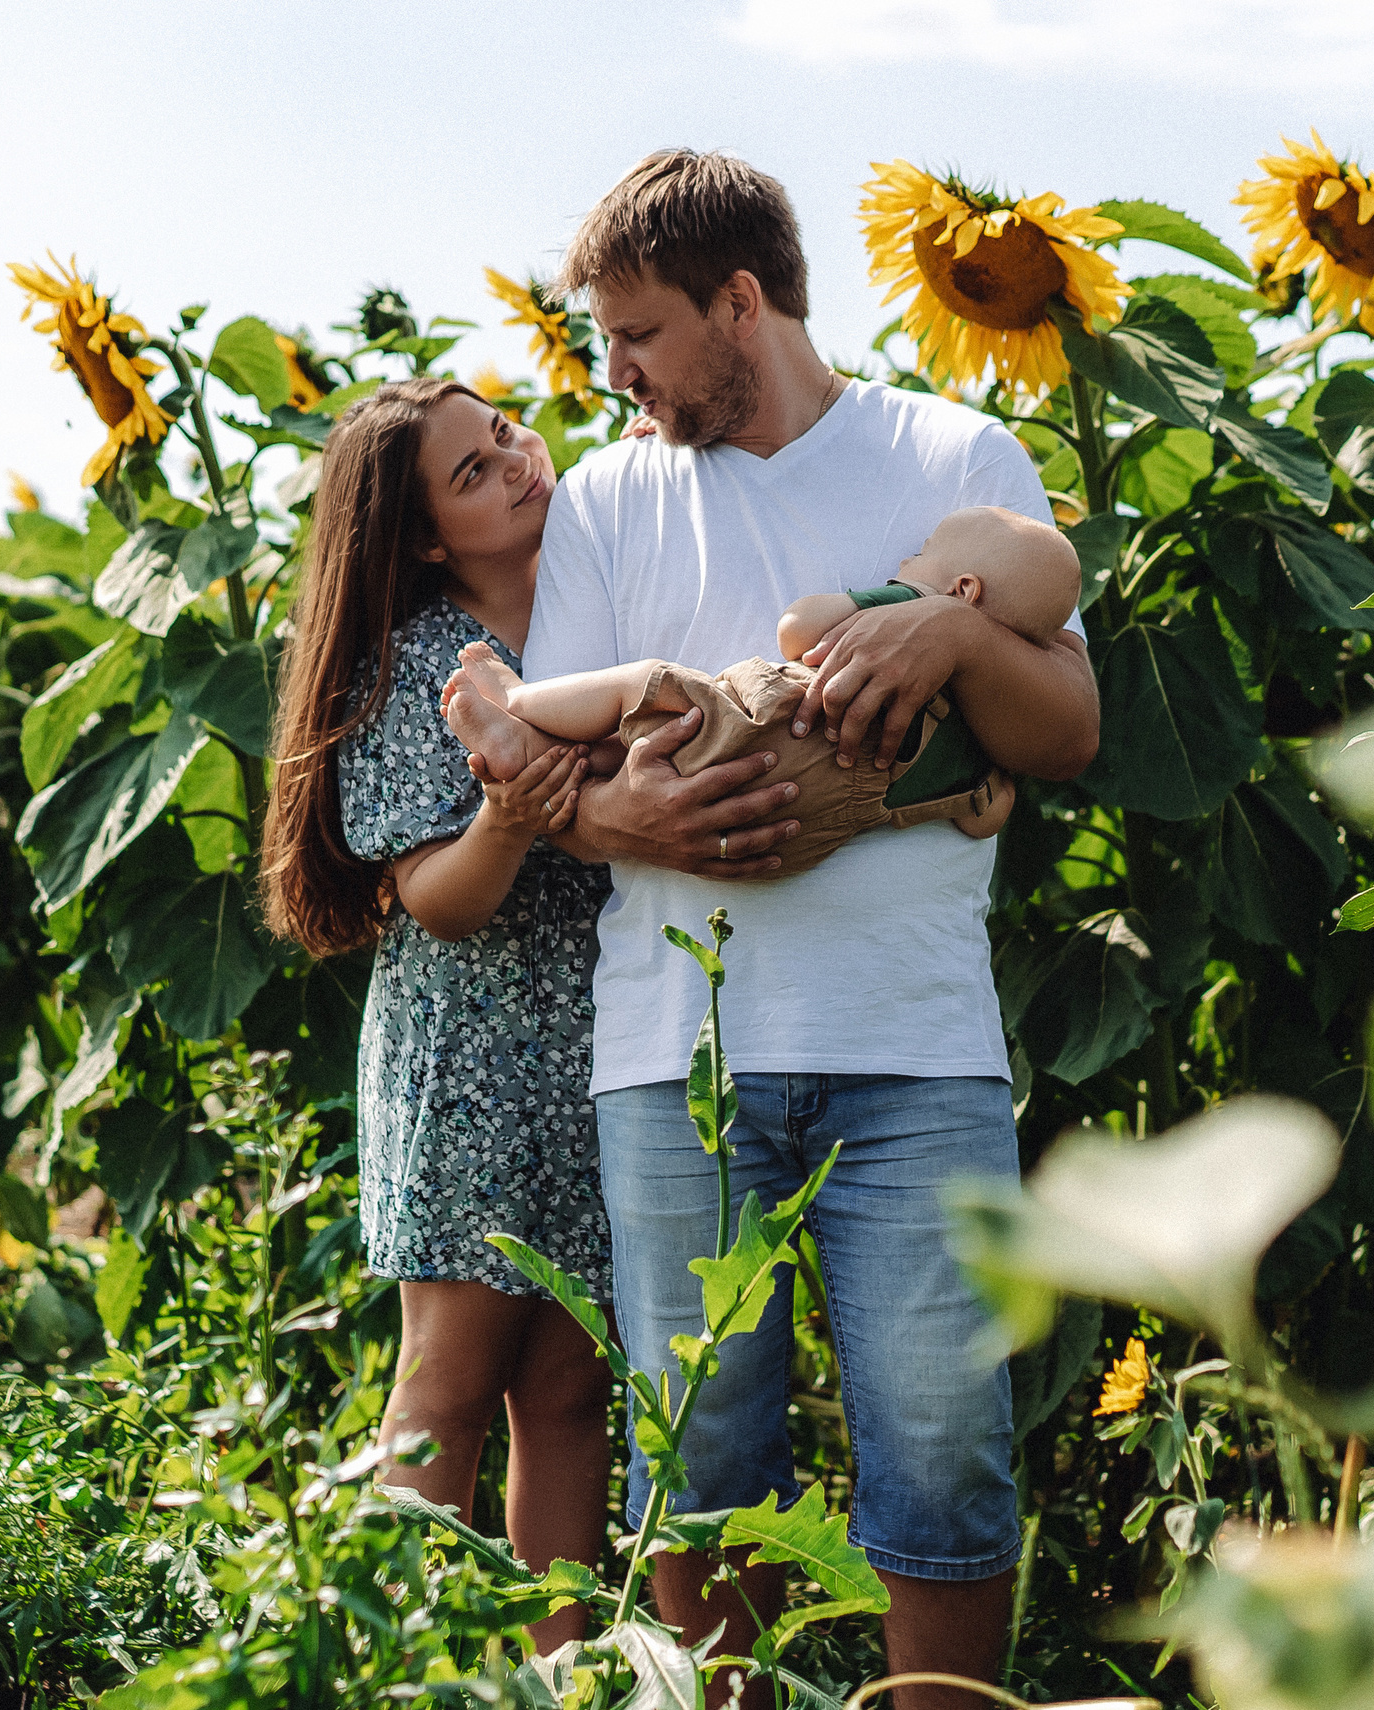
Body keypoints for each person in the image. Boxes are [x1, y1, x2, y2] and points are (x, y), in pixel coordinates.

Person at [521, 150, 1101, 1708]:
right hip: (677, 1057)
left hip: (914, 1045)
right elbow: (548, 773)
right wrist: (627, 819)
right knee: (701, 1463)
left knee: (945, 1452)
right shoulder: (608, 497)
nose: (617, 372)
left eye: (639, 334)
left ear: (739, 303)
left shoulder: (949, 453)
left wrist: (951, 629)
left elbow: (1068, 731)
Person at [258, 377, 612, 1653]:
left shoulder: (597, 603)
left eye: (505, 432)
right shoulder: (415, 665)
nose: (516, 460)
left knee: (570, 1392)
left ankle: (560, 1673)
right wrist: (507, 820)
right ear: (418, 541)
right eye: (473, 472)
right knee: (448, 1386)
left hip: (601, 1049)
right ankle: (403, 1665)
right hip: (470, 1059)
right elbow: (437, 901)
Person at [440, 504, 1081, 874]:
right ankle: (535, 750)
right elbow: (984, 817)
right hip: (793, 831)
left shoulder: (912, 612)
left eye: (924, 551)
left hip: (771, 729)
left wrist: (896, 598)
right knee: (645, 750)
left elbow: (796, 630)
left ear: (963, 590)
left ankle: (521, 704)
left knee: (643, 690)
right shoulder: (982, 737)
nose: (908, 560)